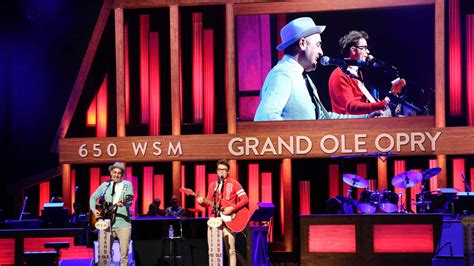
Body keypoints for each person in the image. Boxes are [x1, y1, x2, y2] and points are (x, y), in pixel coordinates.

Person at [254, 17, 380, 121]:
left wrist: (366, 117)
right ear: (302, 43)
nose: (321, 52)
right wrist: (299, 141)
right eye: (318, 45)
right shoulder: (283, 75)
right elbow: (264, 118)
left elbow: (322, 117)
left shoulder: (303, 77)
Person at [197, 159, 249, 266]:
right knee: (213, 251)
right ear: (216, 171)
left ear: (228, 171)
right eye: (220, 169)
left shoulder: (234, 183)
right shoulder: (213, 185)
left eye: (224, 170)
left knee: (230, 250)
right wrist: (201, 202)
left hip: (229, 221)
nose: (222, 172)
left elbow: (245, 199)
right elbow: (208, 202)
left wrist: (232, 208)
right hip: (214, 220)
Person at [328, 30, 392, 115]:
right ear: (353, 50)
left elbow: (361, 102)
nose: (368, 52)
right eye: (364, 48)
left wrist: (377, 104)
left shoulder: (357, 73)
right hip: (349, 126)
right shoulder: (339, 75)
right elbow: (351, 107)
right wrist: (380, 105)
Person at [89, 162, 134, 266]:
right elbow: (93, 197)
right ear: (110, 172)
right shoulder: (105, 185)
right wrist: (94, 210)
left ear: (122, 175)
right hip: (106, 224)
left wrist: (124, 203)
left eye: (119, 173)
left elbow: (130, 201)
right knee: (104, 255)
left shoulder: (127, 185)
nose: (116, 175)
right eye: (114, 172)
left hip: (123, 224)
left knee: (124, 255)